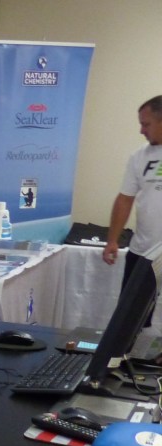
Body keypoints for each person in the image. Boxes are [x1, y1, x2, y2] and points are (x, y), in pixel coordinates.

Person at [102, 95, 162, 324]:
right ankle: (122, 358)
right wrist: (112, 240)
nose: (141, 130)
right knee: (130, 318)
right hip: (143, 252)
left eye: (146, 124)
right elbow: (125, 199)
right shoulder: (139, 156)